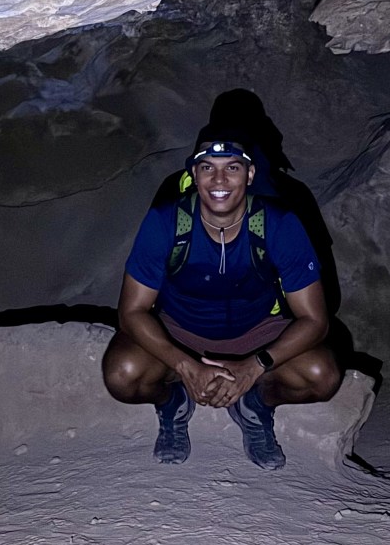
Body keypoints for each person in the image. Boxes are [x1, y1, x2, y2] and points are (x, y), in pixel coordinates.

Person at [102, 131, 343, 468]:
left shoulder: (279, 224)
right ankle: (173, 402)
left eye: (232, 167)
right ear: (194, 174)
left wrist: (254, 367)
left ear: (250, 174)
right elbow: (131, 312)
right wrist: (184, 365)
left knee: (321, 375)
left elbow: (315, 321)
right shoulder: (166, 222)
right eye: (207, 168)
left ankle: (256, 403)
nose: (219, 180)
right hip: (180, 330)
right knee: (123, 374)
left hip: (257, 330)